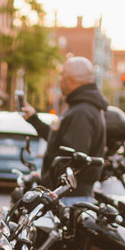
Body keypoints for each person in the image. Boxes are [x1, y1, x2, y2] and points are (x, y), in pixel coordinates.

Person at [20, 55, 109, 198]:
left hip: (69, 197)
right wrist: (33, 118)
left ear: (71, 80)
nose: (59, 80)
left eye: (62, 75)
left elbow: (70, 160)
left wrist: (46, 184)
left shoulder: (82, 113)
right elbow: (59, 142)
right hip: (69, 195)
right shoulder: (80, 108)